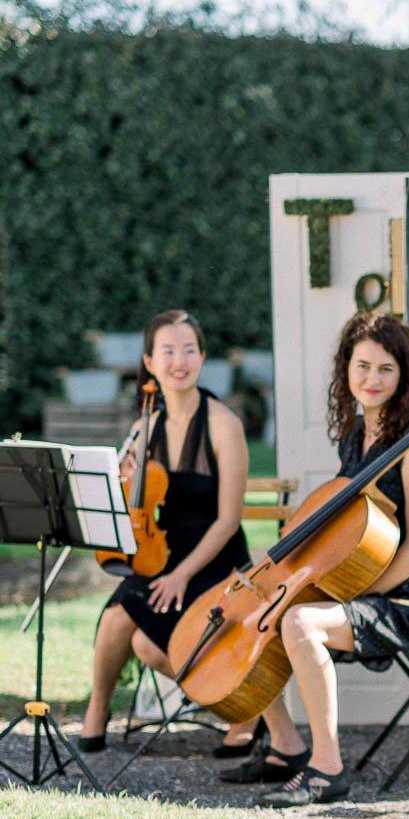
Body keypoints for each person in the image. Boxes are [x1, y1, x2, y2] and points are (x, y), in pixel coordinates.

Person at [219, 311, 409, 807]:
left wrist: (348, 592)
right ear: (346, 368)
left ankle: (327, 770)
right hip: (362, 584)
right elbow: (345, 528)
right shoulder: (355, 434)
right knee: (257, 615)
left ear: (404, 374)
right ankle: (286, 746)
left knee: (301, 622)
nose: (372, 379)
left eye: (385, 369)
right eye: (363, 366)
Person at [79, 310, 254, 754]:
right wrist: (123, 482)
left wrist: (181, 576)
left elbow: (229, 519)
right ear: (150, 363)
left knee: (149, 644)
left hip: (216, 560)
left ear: (203, 357)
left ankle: (243, 708)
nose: (180, 361)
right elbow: (131, 516)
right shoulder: (144, 427)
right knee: (121, 618)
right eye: (168, 351)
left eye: (189, 350)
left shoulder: (223, 425)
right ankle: (97, 710)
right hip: (163, 557)